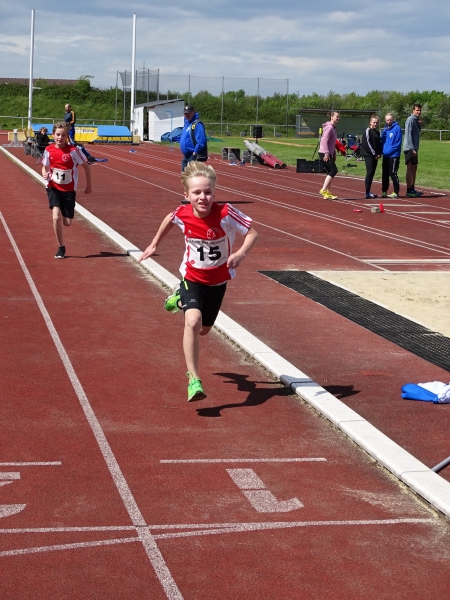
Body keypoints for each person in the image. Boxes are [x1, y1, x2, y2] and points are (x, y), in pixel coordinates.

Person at [138, 162, 258, 402]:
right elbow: (169, 219)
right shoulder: (182, 213)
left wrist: (241, 253)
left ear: (214, 192)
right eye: (197, 192)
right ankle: (194, 379)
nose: (203, 197)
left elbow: (253, 233)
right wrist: (153, 244)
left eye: (208, 192)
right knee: (192, 322)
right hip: (192, 278)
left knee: (203, 330)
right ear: (186, 195)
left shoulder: (225, 214)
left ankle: (178, 300)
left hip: (218, 282)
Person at [41, 122, 92, 258]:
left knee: (67, 223)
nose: (60, 138)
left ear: (67, 136)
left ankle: (66, 211)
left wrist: (89, 186)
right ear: (53, 135)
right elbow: (45, 167)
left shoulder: (73, 151)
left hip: (69, 190)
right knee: (55, 217)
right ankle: (61, 247)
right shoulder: (48, 150)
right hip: (53, 187)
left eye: (63, 135)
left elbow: (86, 166)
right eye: (58, 135)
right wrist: (44, 174)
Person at [318, 111, 340, 200]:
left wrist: (333, 153)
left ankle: (327, 192)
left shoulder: (333, 128)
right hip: (324, 153)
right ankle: (323, 189)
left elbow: (332, 142)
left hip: (328, 152)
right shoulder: (329, 127)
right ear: (332, 117)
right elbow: (324, 140)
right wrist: (327, 153)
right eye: (337, 116)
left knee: (329, 172)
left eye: (339, 117)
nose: (338, 118)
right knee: (334, 170)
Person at [180, 104, 208, 172]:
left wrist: (194, 153)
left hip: (194, 155)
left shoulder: (197, 124)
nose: (187, 115)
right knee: (185, 175)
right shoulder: (187, 123)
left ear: (193, 112)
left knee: (192, 175)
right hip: (187, 155)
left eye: (189, 113)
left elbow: (201, 141)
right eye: (186, 113)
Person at [403, 103, 423, 197]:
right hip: (410, 148)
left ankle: (412, 188)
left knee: (414, 168)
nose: (418, 112)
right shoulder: (410, 119)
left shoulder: (416, 120)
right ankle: (409, 190)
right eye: (417, 110)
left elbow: (416, 132)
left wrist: (420, 125)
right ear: (413, 110)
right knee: (410, 168)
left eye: (420, 110)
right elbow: (408, 134)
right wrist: (412, 148)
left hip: (414, 148)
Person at [360, 114, 382, 199]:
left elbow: (378, 144)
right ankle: (367, 192)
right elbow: (368, 144)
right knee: (369, 172)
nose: (375, 124)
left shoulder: (377, 132)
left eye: (376, 122)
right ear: (370, 122)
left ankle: (369, 191)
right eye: (374, 122)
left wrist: (379, 153)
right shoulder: (368, 131)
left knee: (372, 173)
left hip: (375, 155)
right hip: (368, 154)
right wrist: (374, 154)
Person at [381, 113, 402, 198]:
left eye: (390, 120)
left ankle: (396, 191)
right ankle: (384, 191)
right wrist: (382, 151)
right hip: (386, 156)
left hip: (394, 155)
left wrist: (388, 151)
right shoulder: (385, 130)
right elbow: (382, 141)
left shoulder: (397, 128)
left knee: (393, 173)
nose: (389, 121)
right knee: (385, 174)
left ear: (393, 120)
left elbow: (397, 143)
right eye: (387, 120)